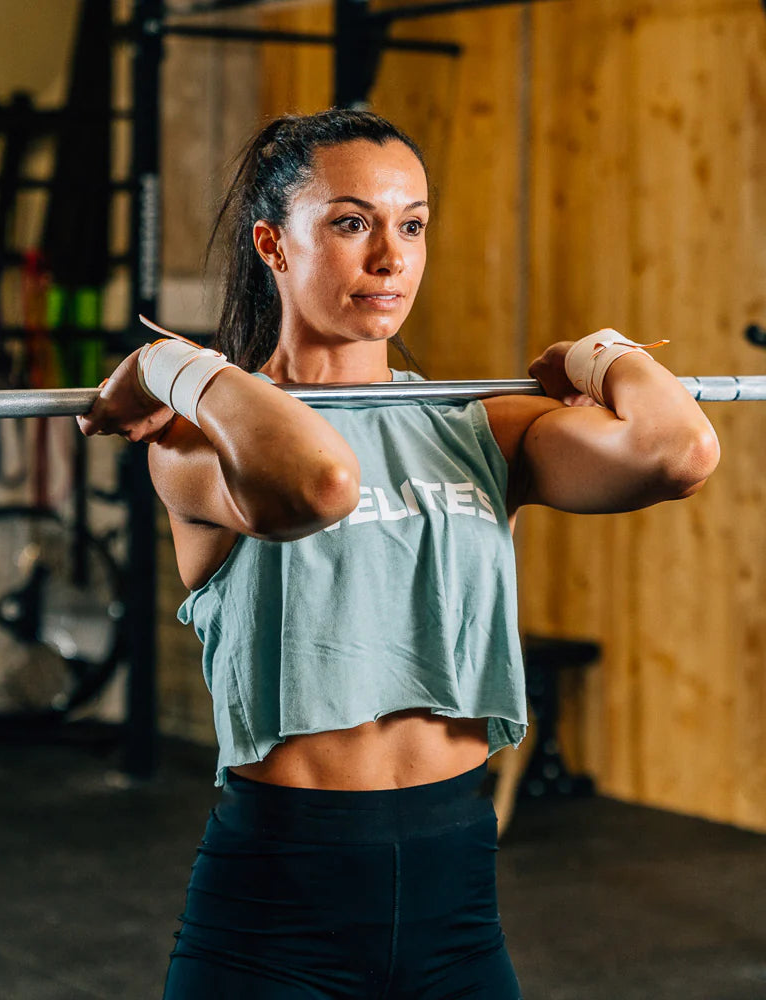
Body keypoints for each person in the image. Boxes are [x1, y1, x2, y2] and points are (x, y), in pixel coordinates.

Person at [77, 109, 720, 1000]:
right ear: (272, 244)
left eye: (412, 225)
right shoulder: (197, 442)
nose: (391, 258)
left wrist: (599, 354)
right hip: (273, 919)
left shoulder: (482, 431)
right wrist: (177, 369)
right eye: (352, 223)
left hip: (456, 910)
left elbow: (679, 452)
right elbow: (317, 482)